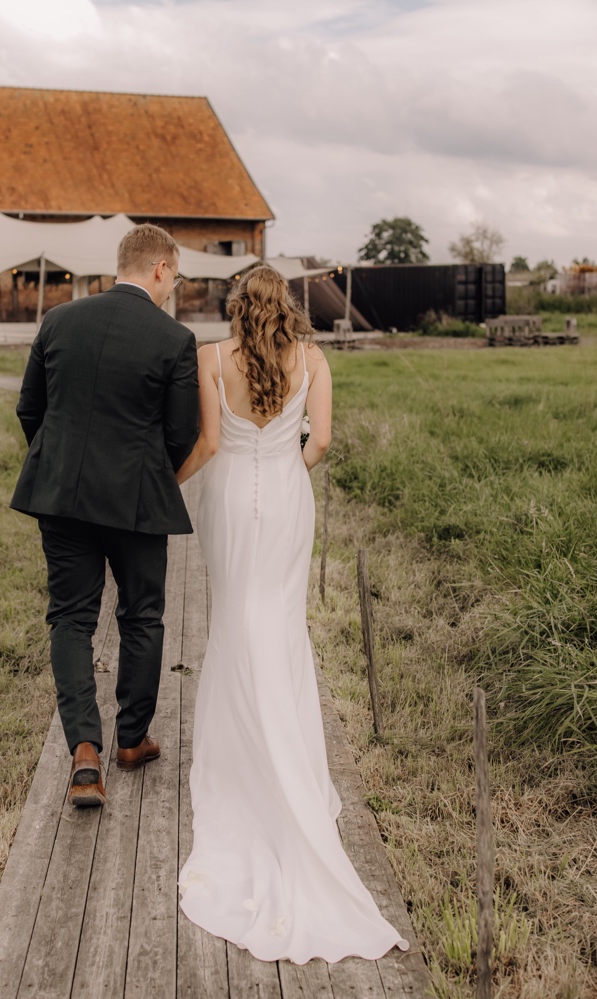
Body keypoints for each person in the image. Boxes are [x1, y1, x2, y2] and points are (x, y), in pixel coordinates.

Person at [173, 265, 408, 964]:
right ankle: (289, 751)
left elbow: (211, 443)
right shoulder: (314, 358)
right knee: (279, 623)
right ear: (289, 306)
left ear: (238, 305)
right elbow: (323, 440)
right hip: (286, 498)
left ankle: (251, 752)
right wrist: (288, 470)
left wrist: (169, 481)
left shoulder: (210, 357)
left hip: (228, 502)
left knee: (237, 622)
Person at [10, 223, 199, 808]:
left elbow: (29, 409)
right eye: (177, 275)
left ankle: (84, 752)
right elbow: (182, 433)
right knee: (142, 615)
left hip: (60, 496)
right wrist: (145, 472)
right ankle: (132, 739)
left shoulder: (58, 321)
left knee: (70, 618)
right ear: (161, 268)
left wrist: (62, 464)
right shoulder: (173, 339)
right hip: (136, 501)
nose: (174, 287)